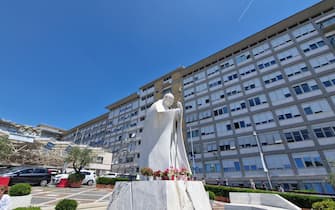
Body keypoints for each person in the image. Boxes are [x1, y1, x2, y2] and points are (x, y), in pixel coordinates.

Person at [138, 93, 191, 174]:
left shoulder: (166, 108)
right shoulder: (156, 105)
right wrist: (174, 112)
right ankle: (157, 173)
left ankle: (171, 172)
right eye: (170, 101)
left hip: (166, 136)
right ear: (165, 98)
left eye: (172, 102)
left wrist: (179, 111)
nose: (170, 103)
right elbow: (158, 115)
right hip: (156, 138)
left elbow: (171, 117)